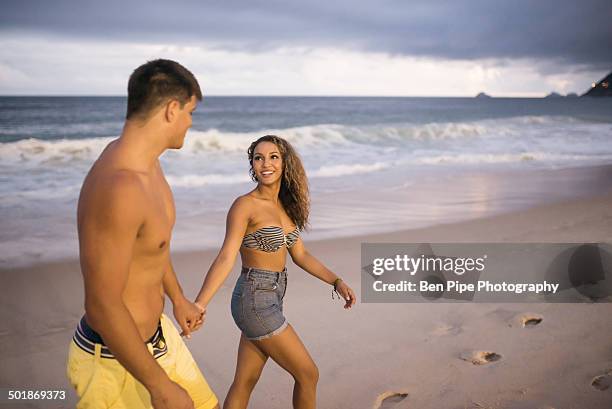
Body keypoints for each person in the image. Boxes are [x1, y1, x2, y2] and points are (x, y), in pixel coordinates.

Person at [66, 59, 219, 409]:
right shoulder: (120, 188)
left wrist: (178, 298)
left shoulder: (150, 165)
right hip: (114, 363)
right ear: (171, 109)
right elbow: (101, 304)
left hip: (160, 339)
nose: (191, 123)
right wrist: (160, 387)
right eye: (190, 112)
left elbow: (153, 247)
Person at [193, 135, 356, 409]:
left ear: (284, 162)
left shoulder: (284, 207)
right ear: (252, 165)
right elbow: (225, 257)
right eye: (258, 157)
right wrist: (200, 304)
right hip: (255, 299)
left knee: (244, 381)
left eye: (273, 157)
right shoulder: (245, 205)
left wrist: (336, 281)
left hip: (272, 296)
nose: (265, 163)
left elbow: (300, 255)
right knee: (308, 373)